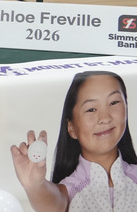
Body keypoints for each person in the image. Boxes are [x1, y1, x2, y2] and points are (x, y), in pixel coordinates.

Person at [11, 71, 137, 211]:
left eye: (114, 102)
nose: (105, 118)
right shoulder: (71, 191)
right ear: (71, 128)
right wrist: (34, 186)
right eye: (91, 109)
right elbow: (52, 204)